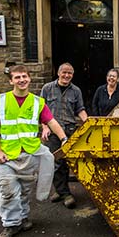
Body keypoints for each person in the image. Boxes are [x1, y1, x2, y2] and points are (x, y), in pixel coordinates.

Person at [0, 65, 67, 237]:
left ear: (29, 79)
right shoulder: (0, 101)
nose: (21, 80)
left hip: (29, 153)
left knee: (24, 191)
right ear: (11, 81)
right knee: (7, 191)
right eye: (17, 77)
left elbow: (51, 121)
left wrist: (63, 138)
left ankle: (22, 219)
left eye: (24, 76)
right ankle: (10, 225)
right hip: (7, 156)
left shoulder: (37, 102)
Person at [40, 63, 88, 209]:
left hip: (70, 130)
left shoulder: (76, 91)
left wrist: (89, 123)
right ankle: (65, 193)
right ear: (58, 73)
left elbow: (80, 109)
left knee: (67, 162)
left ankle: (61, 191)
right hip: (53, 132)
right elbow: (41, 109)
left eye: (70, 73)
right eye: (64, 72)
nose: (67, 76)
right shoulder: (47, 88)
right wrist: (44, 127)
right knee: (55, 162)